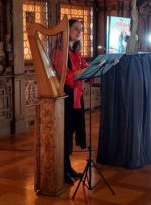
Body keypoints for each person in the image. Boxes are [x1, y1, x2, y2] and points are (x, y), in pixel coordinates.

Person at [62, 19, 87, 184]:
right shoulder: (60, 52)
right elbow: (66, 77)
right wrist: (82, 71)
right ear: (67, 30)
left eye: (81, 30)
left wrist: (91, 70)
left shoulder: (76, 51)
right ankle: (62, 169)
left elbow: (84, 68)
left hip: (77, 97)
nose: (79, 32)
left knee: (70, 133)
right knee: (64, 135)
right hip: (65, 98)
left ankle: (67, 167)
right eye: (76, 29)